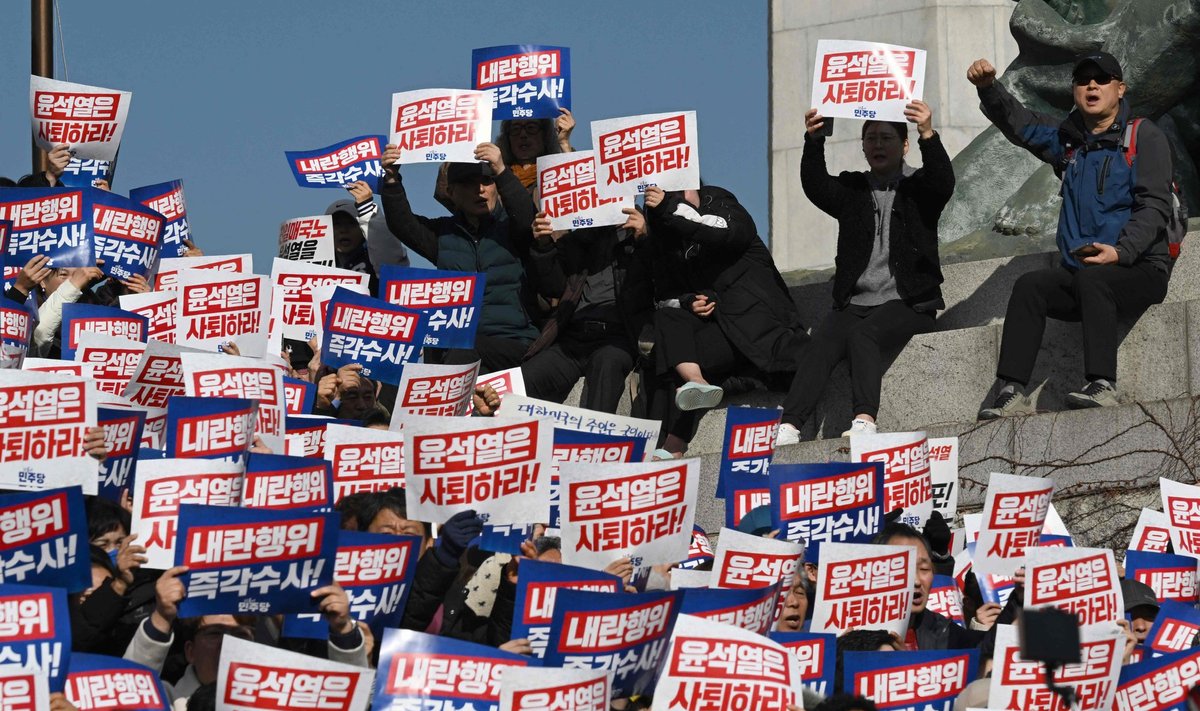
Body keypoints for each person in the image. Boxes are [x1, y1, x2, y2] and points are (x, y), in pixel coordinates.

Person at [969, 52, 1176, 418]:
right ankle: (1012, 391)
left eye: (1102, 78)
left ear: (1120, 88)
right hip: (1084, 274)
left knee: (1095, 280)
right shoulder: (1069, 142)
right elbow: (1024, 126)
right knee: (1030, 286)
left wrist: (1121, 251)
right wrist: (989, 89)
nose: (1092, 85)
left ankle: (1102, 384)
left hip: (1140, 268)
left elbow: (1154, 206)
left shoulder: (1144, 135)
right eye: (1083, 80)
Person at [776, 100, 953, 446]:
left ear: (903, 145)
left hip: (908, 301)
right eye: (870, 138)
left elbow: (943, 183)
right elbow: (815, 185)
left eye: (886, 138)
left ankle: (864, 419)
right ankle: (790, 424)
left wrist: (927, 134)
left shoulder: (919, 187)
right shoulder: (852, 189)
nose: (877, 145)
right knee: (822, 343)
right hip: (855, 301)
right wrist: (814, 139)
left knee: (863, 337)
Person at [644, 184, 808, 457]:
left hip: (763, 330)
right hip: (725, 333)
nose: (676, 201)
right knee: (668, 320)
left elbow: (722, 235)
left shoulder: (719, 203)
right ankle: (697, 383)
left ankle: (677, 438)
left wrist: (668, 208)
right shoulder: (674, 238)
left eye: (678, 193)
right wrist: (692, 301)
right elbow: (670, 292)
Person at [378, 142, 540, 373]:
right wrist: (392, 179)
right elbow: (403, 224)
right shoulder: (443, 235)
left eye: (487, 181)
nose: (480, 190)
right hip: (460, 348)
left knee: (463, 353)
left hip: (514, 341)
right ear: (452, 193)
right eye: (469, 184)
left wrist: (502, 171)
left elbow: (526, 218)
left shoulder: (512, 227)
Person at [520, 207, 654, 413]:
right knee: (525, 380)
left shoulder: (643, 232)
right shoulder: (577, 239)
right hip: (572, 339)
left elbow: (660, 281)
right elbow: (552, 287)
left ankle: (597, 444)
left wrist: (645, 240)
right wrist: (544, 247)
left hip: (617, 338)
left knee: (607, 365)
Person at [873, 523, 1001, 650]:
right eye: (904, 568)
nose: (917, 581)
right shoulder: (856, 637)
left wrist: (1016, 600)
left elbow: (988, 650)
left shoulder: (943, 630)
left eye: (924, 569)